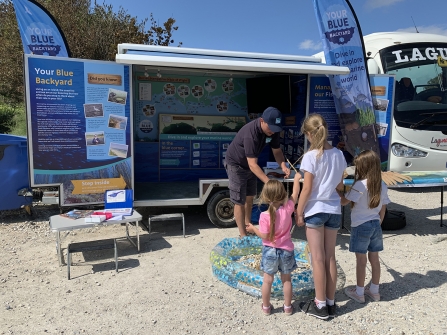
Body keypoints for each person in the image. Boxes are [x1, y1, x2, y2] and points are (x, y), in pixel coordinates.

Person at [296, 113, 347, 320]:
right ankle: (331, 302)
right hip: (334, 210)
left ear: (309, 133)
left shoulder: (310, 157)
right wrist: (342, 197)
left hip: (315, 210)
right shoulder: (338, 154)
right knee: (330, 258)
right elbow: (340, 186)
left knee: (316, 259)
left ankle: (320, 305)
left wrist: (298, 212)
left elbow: (306, 189)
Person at [224, 107, 290, 237]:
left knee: (250, 197)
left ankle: (248, 226)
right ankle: (243, 235)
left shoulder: (273, 131)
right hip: (236, 164)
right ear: (261, 121)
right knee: (239, 200)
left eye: (275, 128)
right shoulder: (251, 133)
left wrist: (283, 165)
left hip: (250, 165)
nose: (272, 131)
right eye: (270, 127)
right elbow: (253, 165)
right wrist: (269, 183)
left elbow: (277, 151)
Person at [337, 150, 390, 304]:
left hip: (360, 226)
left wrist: (336, 189)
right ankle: (374, 291)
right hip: (375, 224)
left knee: (361, 261)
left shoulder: (360, 185)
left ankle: (359, 292)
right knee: (375, 259)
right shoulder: (382, 184)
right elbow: (383, 207)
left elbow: (344, 202)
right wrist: (378, 222)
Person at [246, 172, 301, 316]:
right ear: (282, 195)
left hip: (270, 250)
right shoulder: (288, 208)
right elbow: (295, 193)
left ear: (265, 196)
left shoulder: (264, 216)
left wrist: (253, 229)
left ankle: (266, 307)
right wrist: (296, 179)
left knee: (267, 280)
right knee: (286, 280)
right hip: (286, 250)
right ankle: (288, 307)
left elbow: (264, 235)